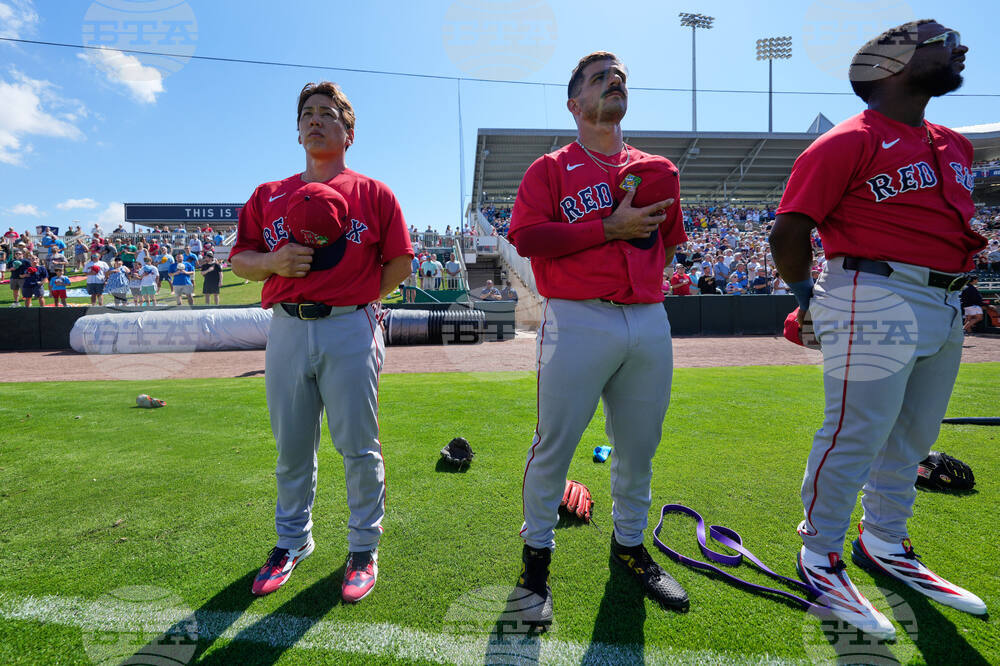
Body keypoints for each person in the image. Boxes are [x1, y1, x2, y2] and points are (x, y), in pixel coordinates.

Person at [769, 20, 987, 640]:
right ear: (893, 63)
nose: (961, 47)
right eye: (942, 39)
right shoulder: (847, 140)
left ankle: (885, 542)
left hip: (943, 300)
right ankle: (820, 555)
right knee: (857, 432)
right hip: (874, 289)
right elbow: (788, 233)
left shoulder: (954, 144)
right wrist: (810, 299)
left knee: (915, 437)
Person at [507, 51, 689, 626]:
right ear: (574, 104)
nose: (614, 83)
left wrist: (630, 266)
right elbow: (528, 236)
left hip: (648, 318)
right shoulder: (550, 169)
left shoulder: (658, 167)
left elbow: (670, 242)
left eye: (620, 78)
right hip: (577, 317)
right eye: (598, 78)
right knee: (554, 446)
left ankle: (631, 547)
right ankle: (536, 560)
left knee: (638, 448)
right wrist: (606, 229)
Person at [230, 81, 412, 604]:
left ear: (348, 131)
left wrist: (355, 300)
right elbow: (241, 258)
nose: (314, 120)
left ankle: (362, 548)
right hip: (286, 326)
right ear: (298, 128)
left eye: (327, 114)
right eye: (306, 113)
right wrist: (272, 263)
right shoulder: (269, 194)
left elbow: (400, 261)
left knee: (358, 445)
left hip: (350, 326)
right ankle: (292, 543)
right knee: (291, 446)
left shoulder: (374, 192)